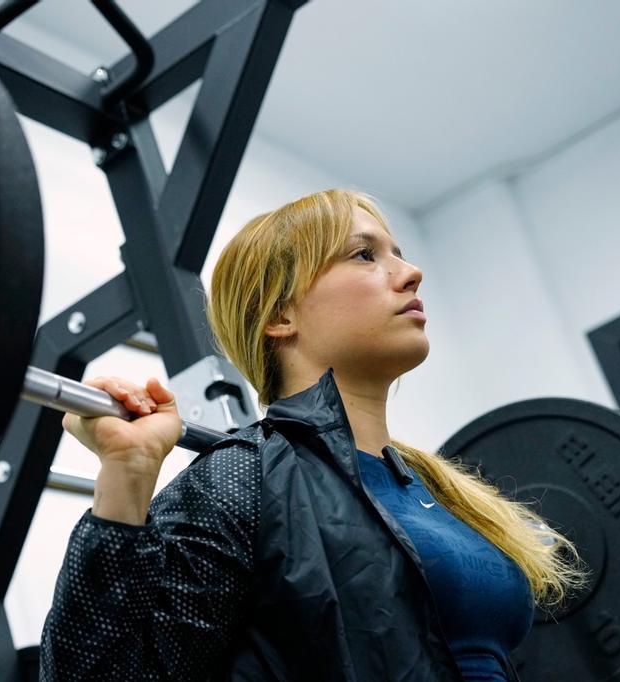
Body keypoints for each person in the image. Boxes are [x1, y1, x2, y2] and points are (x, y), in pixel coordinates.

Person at [39, 189, 585, 681]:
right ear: (280, 314)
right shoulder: (240, 478)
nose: (411, 272)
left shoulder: (441, 494)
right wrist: (128, 474)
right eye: (365, 254)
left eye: (398, 252)